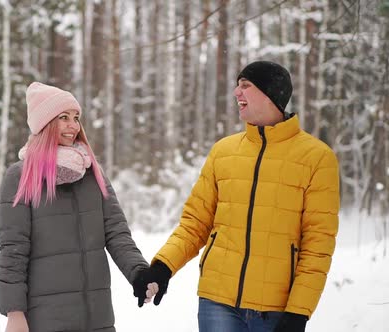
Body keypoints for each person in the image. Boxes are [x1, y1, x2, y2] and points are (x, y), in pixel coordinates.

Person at [133, 61, 340, 332]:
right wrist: (162, 266)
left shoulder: (316, 158)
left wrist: (299, 311)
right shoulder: (224, 151)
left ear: (270, 94)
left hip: (276, 309)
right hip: (217, 301)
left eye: (245, 86)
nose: (236, 93)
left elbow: (317, 245)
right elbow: (195, 223)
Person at [0, 82, 154, 332]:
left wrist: (139, 272)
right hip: (46, 320)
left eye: (76, 118)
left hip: (97, 318)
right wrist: (14, 312)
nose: (73, 125)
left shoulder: (93, 174)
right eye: (63, 118)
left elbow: (117, 233)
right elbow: (13, 250)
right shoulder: (21, 176)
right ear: (44, 123)